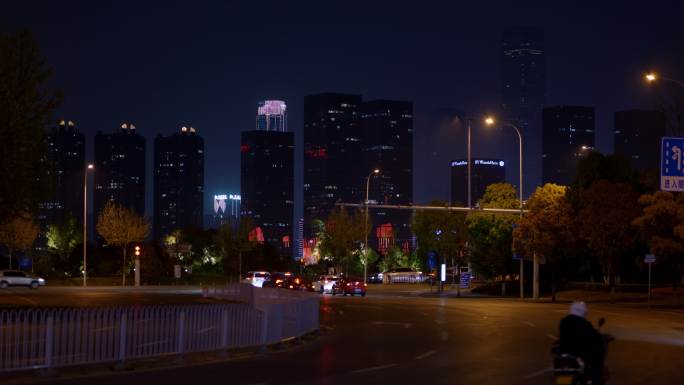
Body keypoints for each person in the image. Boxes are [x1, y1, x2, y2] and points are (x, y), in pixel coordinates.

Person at [558, 301, 605, 385]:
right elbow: (595, 337)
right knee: (596, 362)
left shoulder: (564, 321)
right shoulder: (584, 324)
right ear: (582, 312)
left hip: (565, 352)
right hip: (580, 354)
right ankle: (596, 380)